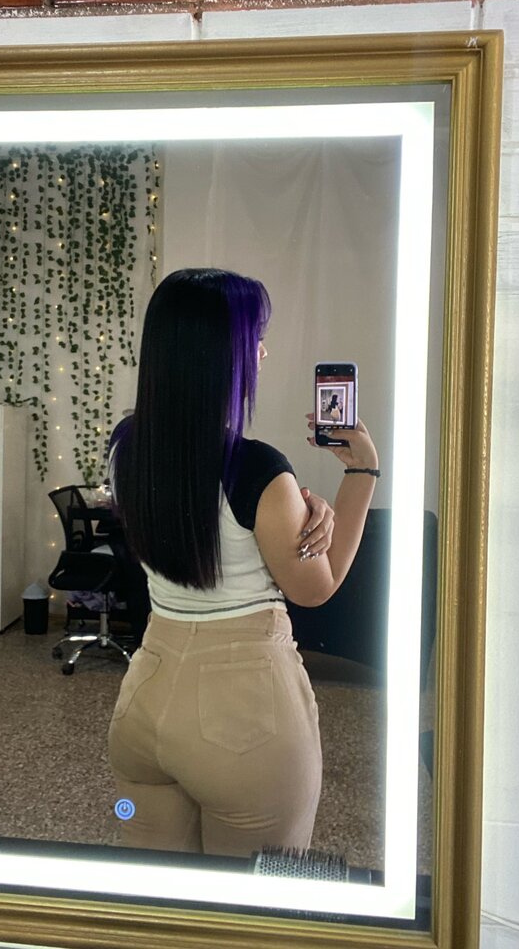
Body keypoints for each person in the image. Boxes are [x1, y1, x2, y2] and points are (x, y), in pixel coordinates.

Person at [107, 268, 379, 858]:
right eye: (256, 337)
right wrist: (361, 473)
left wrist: (293, 508)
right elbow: (316, 587)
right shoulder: (256, 468)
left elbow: (194, 514)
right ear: (222, 355)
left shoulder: (126, 448)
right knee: (251, 903)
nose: (263, 351)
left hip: (142, 713)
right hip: (244, 723)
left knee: (155, 896)